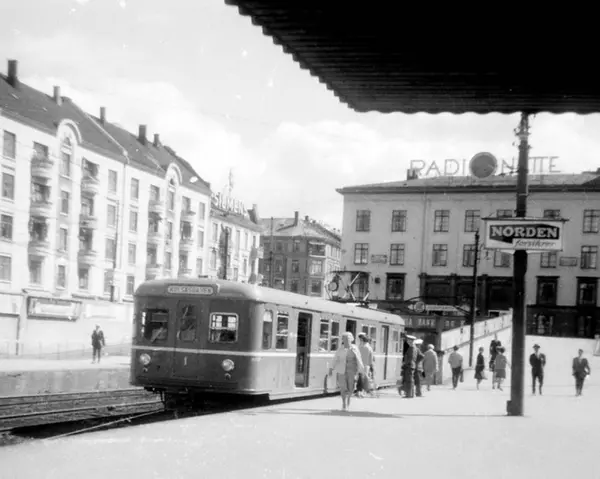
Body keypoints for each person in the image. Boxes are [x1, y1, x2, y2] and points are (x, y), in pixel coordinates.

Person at [329, 332, 365, 411]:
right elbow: (335, 359)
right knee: (343, 388)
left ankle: (348, 400)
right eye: (344, 339)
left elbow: (359, 360)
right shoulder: (340, 349)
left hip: (352, 371)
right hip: (341, 370)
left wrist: (361, 371)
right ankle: (344, 404)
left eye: (348, 339)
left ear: (351, 339)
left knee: (351, 388)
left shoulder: (355, 348)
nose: (346, 340)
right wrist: (331, 368)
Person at [356, 333, 375, 397]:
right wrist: (371, 365)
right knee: (363, 378)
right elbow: (371, 358)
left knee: (362, 378)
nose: (359, 341)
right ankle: (363, 391)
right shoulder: (368, 347)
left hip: (363, 365)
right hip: (366, 365)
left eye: (360, 339)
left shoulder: (362, 347)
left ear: (362, 340)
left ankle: (362, 391)